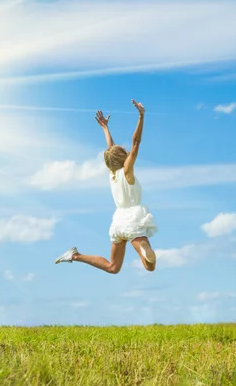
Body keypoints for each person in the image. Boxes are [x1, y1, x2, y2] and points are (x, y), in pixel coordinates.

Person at [54, 99, 158, 273]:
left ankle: (75, 256)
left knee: (113, 267)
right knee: (150, 267)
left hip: (119, 221)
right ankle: (142, 247)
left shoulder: (113, 174)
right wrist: (141, 116)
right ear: (123, 156)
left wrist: (105, 128)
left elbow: (111, 149)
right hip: (133, 218)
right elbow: (136, 143)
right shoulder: (127, 171)